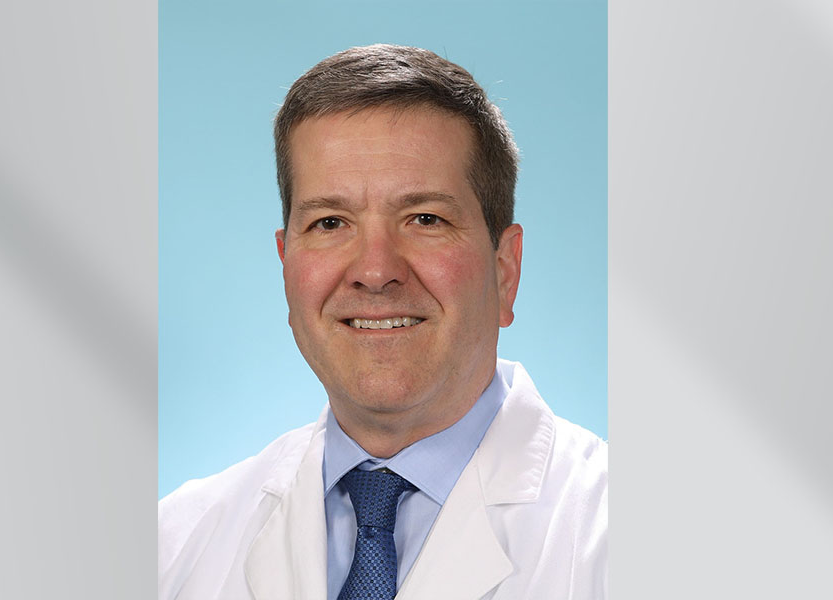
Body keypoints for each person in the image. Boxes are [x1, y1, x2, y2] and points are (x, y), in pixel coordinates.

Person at [159, 44, 607, 600]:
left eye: (425, 219)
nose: (375, 271)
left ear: (505, 270)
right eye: (330, 222)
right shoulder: (173, 546)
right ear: (286, 264)